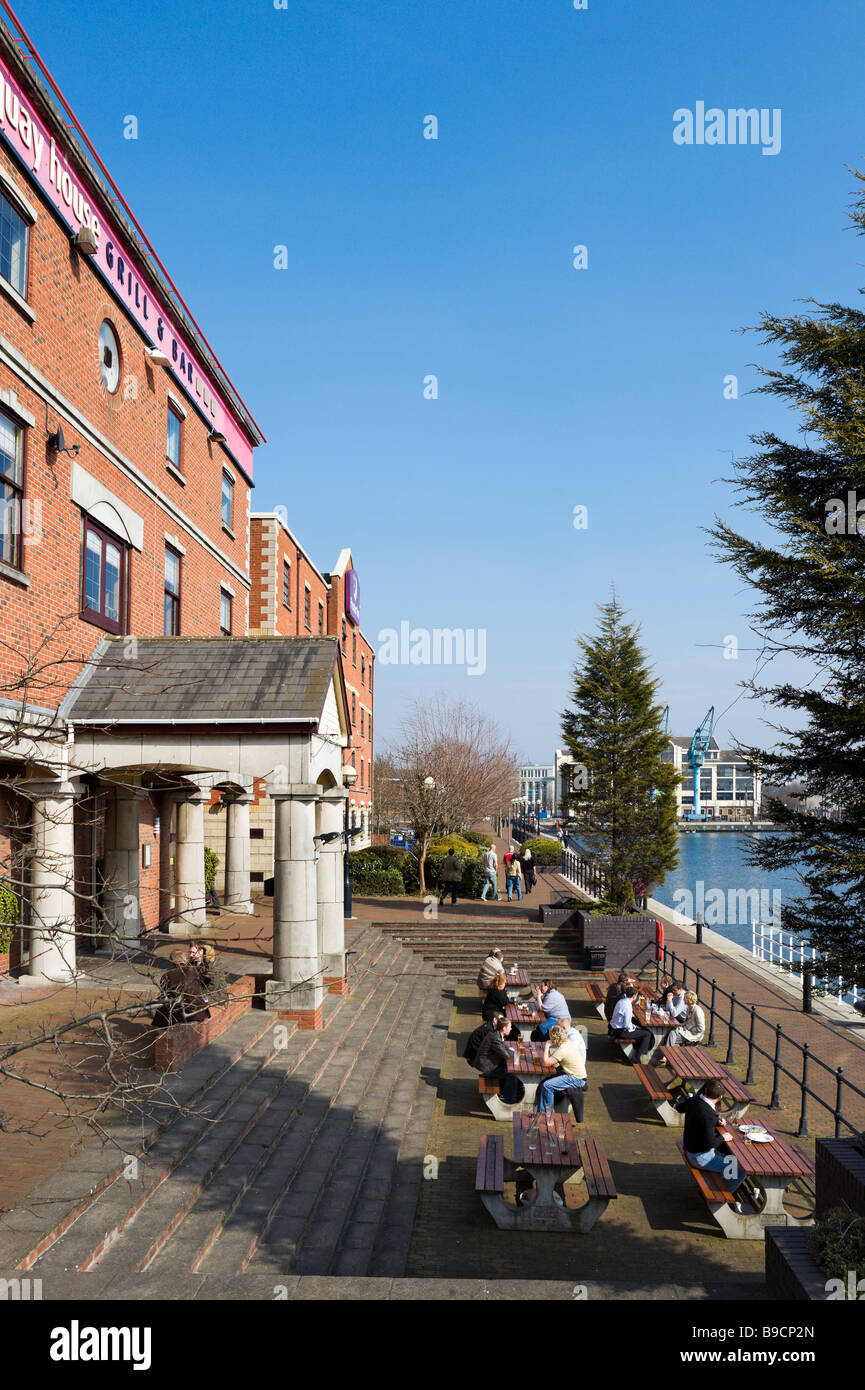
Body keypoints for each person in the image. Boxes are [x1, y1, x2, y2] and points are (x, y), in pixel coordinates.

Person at [682, 1080, 749, 1213]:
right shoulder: (708, 1114)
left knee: (730, 1158)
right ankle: (721, 1197)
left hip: (690, 1149)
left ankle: (724, 1185)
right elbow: (710, 1143)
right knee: (740, 1171)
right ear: (720, 1098)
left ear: (705, 1090)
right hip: (700, 1157)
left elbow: (680, 1108)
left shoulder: (695, 1101)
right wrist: (723, 1137)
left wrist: (715, 1121)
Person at [152, 949, 211, 1028]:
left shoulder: (167, 976)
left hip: (182, 1013)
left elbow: (166, 995)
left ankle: (164, 1033)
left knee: (159, 1007)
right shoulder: (193, 970)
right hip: (200, 1012)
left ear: (171, 962)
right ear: (185, 960)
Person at [537, 1023, 587, 1114]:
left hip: (576, 1078)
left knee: (547, 1086)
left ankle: (549, 1114)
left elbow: (546, 1063)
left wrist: (547, 1045)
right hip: (578, 1075)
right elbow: (554, 1062)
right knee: (547, 1080)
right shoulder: (567, 1043)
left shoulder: (562, 1049)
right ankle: (542, 1112)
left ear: (553, 1038)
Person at [474, 1013, 522, 1102]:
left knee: (508, 1069)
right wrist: (515, 1052)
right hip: (484, 1068)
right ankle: (510, 1100)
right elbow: (507, 1056)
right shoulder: (495, 1038)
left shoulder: (495, 1034)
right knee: (512, 1075)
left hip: (484, 1064)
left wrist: (509, 1049)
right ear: (504, 1028)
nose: (511, 1029)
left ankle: (509, 1092)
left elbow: (503, 1047)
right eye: (509, 1027)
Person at [609, 985, 654, 1061]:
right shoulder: (628, 1006)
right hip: (621, 1031)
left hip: (614, 1028)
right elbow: (627, 1025)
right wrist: (634, 1027)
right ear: (634, 996)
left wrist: (634, 1026)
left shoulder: (622, 1001)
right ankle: (637, 1057)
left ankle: (637, 1049)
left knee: (641, 1029)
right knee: (647, 1034)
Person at [189, 941, 229, 1006]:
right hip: (203, 992)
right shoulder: (193, 962)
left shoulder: (212, 965)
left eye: (193, 952)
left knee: (195, 1003)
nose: (191, 955)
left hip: (216, 995)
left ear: (201, 951)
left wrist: (197, 993)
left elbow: (213, 986)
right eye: (190, 952)